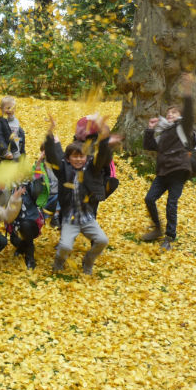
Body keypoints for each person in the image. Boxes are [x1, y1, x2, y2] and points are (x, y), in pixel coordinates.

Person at [45, 114, 112, 275]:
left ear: (86, 157)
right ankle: (58, 262)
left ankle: (88, 261)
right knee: (65, 246)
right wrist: (50, 131)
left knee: (103, 240)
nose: (78, 159)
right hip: (71, 219)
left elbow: (103, 155)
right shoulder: (63, 171)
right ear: (68, 159)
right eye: (74, 156)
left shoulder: (92, 170)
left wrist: (104, 136)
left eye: (81, 156)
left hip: (87, 217)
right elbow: (53, 155)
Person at [141, 96, 195, 251]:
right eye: (169, 113)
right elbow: (150, 145)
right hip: (163, 173)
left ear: (181, 116)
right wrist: (150, 129)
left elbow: (188, 117)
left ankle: (169, 237)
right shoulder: (164, 132)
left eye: (175, 112)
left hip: (178, 171)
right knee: (149, 198)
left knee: (171, 204)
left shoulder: (183, 128)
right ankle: (157, 229)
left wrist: (187, 92)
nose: (170, 114)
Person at [0, 96, 25, 165]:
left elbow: (18, 138)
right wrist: (5, 151)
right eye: (8, 108)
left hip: (15, 154)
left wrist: (22, 155)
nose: (10, 110)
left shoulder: (15, 121)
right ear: (1, 109)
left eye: (12, 108)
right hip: (3, 155)